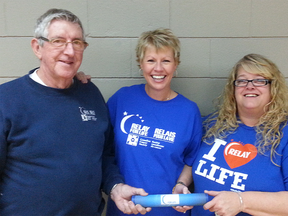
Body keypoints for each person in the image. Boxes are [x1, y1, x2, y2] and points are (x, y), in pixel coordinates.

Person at [0, 8, 151, 216]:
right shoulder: (6, 100)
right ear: (37, 48)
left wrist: (115, 187)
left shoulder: (90, 93)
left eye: (77, 43)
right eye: (58, 41)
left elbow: (104, 155)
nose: (70, 52)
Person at [104, 28, 202, 215]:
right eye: (151, 60)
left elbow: (191, 159)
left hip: (169, 210)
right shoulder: (122, 99)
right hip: (126, 208)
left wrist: (182, 184)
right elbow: (102, 150)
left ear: (176, 65)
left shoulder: (189, 111)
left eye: (166, 61)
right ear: (140, 64)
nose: (158, 68)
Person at [191, 53, 288, 216]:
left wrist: (241, 201)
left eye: (259, 80)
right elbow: (184, 159)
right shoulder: (212, 124)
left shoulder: (284, 134)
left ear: (273, 87)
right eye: (242, 80)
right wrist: (180, 184)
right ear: (233, 88)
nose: (250, 86)